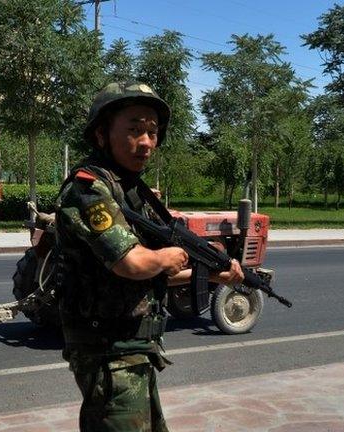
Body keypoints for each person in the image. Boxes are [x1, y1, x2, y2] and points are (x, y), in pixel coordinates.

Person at [54, 81, 244, 431]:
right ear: (101, 134)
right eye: (134, 130)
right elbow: (133, 263)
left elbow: (156, 273)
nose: (146, 142)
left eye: (153, 132)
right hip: (109, 353)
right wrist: (169, 256)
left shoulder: (130, 191)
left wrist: (216, 276)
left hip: (135, 350)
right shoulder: (89, 189)